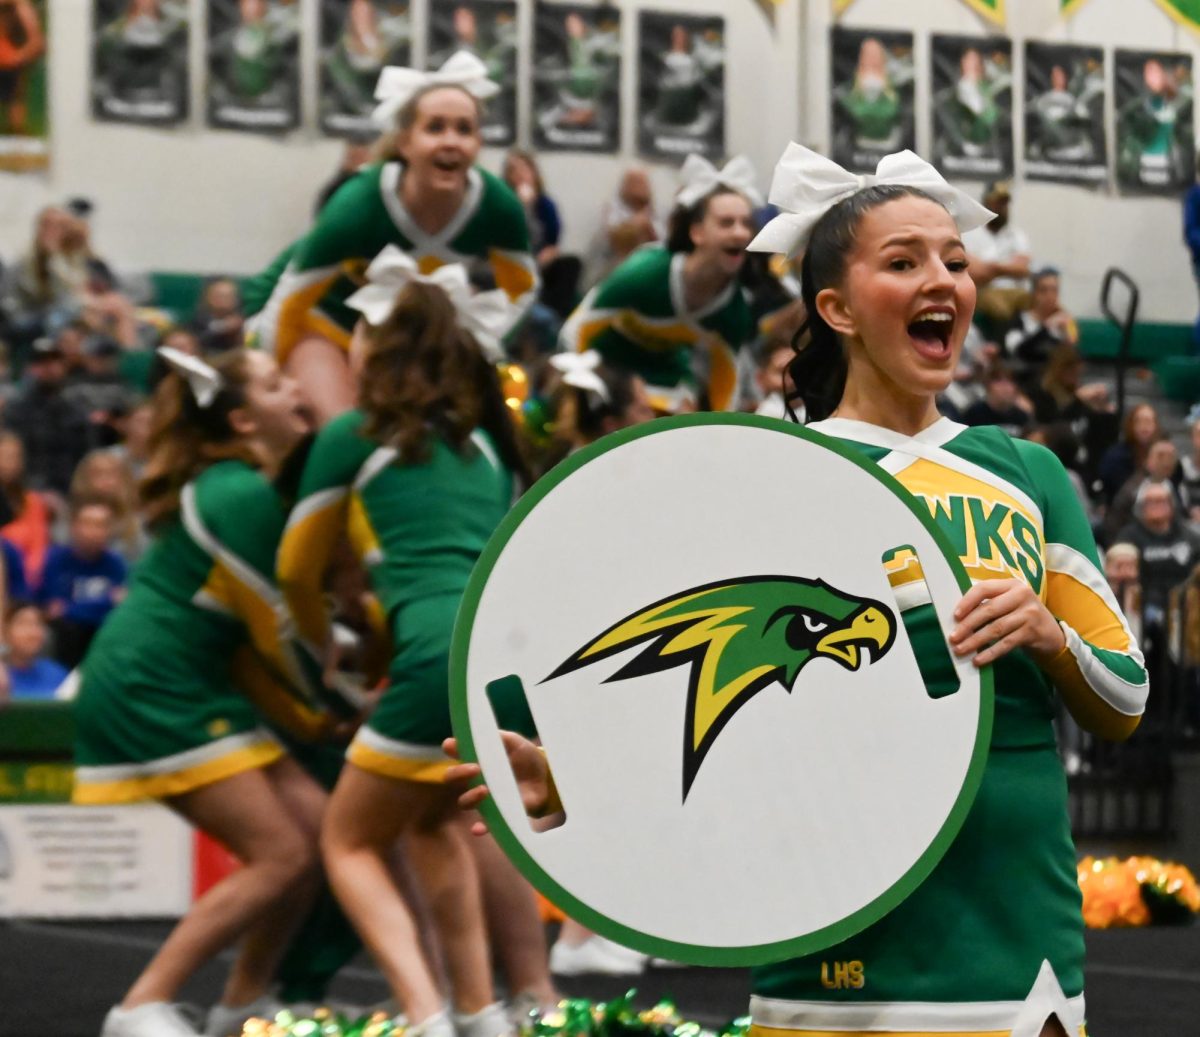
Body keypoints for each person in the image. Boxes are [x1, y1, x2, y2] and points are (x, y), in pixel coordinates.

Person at [449, 145, 1149, 1037]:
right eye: (903, 262)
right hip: (827, 931)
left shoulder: (1027, 473)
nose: (943, 279)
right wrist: (572, 780)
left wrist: (1050, 634)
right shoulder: (766, 472)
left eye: (956, 260)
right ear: (835, 306)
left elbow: (1126, 699)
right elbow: (712, 695)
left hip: (1018, 940)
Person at [277, 254, 532, 1037]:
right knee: (432, 824)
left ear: (378, 345)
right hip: (502, 657)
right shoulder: (489, 446)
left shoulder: (354, 434)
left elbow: (296, 569)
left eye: (356, 329)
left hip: (430, 650)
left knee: (347, 838)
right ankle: (479, 1012)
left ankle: (424, 1016)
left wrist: (328, 659)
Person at [75, 347, 337, 1037]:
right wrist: (337, 701)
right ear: (246, 420)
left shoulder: (239, 482)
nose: (298, 392)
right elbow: (280, 633)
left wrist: (314, 714)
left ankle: (242, 1003)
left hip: (189, 675)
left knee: (314, 824)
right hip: (150, 679)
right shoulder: (239, 492)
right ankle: (137, 1005)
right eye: (280, 384)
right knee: (280, 852)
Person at [249, 50, 537, 423]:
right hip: (325, 324)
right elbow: (290, 303)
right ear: (405, 143)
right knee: (345, 432)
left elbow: (522, 289)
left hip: (400, 340)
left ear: (479, 143)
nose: (451, 141)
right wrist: (269, 372)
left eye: (464, 129)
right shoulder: (359, 202)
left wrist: (477, 337)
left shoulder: (498, 206)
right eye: (435, 127)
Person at [559, 154, 758, 413]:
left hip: (665, 381)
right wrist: (586, 397)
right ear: (696, 232)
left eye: (746, 223)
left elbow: (726, 387)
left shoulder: (734, 310)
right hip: (608, 370)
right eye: (726, 223)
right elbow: (575, 331)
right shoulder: (646, 272)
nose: (740, 233)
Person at [38, 494, 128, 668]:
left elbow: (120, 606)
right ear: (73, 526)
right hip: (66, 638)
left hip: (101, 634)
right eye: (87, 523)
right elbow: (52, 611)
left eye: (101, 525)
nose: (94, 531)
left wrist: (70, 608)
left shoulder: (115, 563)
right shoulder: (55, 559)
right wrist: (106, 600)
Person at [3, 336, 94, 497]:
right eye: (41, 362)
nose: (48, 367)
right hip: (26, 494)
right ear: (30, 368)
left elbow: (87, 455)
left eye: (54, 361)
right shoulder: (16, 408)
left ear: (64, 365)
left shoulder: (78, 406)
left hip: (70, 492)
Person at [963, 179, 1032, 326]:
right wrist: (1006, 268)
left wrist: (991, 268)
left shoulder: (1017, 235)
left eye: (1005, 203)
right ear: (986, 202)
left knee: (1035, 301)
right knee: (998, 306)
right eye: (998, 202)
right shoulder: (969, 234)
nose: (1002, 208)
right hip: (983, 293)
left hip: (1014, 293)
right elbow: (974, 273)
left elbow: (1022, 269)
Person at [1002, 268, 1078, 387]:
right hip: (1026, 381)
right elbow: (1019, 351)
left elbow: (1073, 358)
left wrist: (1068, 340)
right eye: (1044, 290)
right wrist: (1046, 327)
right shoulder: (1020, 321)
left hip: (1058, 385)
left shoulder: (1064, 322)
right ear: (1034, 293)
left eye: (1054, 290)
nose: (1050, 296)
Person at [0, 430, 51, 586]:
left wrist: (27, 580)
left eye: (16, 457)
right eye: (5, 456)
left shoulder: (33, 502)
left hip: (24, 583)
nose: (11, 463)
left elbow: (38, 549)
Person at [1097, 401, 1163, 506]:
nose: (1144, 426)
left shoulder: (1163, 454)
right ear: (1130, 425)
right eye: (1139, 421)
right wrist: (1147, 470)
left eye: (1149, 421)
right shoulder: (1115, 458)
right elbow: (1121, 498)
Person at [5, 599, 68, 699]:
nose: (32, 633)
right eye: (24, 624)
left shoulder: (58, 675)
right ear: (7, 632)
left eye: (38, 624)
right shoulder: (3, 676)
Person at [962, 363, 1030, 437]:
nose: (1005, 387)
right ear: (988, 385)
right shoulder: (974, 413)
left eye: (1010, 381)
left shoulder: (1021, 416)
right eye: (999, 381)